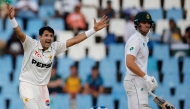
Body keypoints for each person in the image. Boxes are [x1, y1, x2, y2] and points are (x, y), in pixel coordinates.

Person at [7, 3, 109, 109]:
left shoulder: (55, 47)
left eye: (51, 36)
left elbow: (74, 40)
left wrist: (94, 30)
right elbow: (20, 33)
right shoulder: (31, 44)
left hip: (42, 88)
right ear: (39, 37)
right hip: (27, 85)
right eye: (46, 35)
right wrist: (12, 19)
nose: (49, 38)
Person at [123, 12, 158, 109]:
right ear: (137, 24)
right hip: (135, 80)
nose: (147, 25)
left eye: (148, 23)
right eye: (144, 22)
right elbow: (129, 62)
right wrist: (146, 77)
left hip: (138, 81)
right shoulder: (136, 40)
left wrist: (145, 80)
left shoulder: (143, 40)